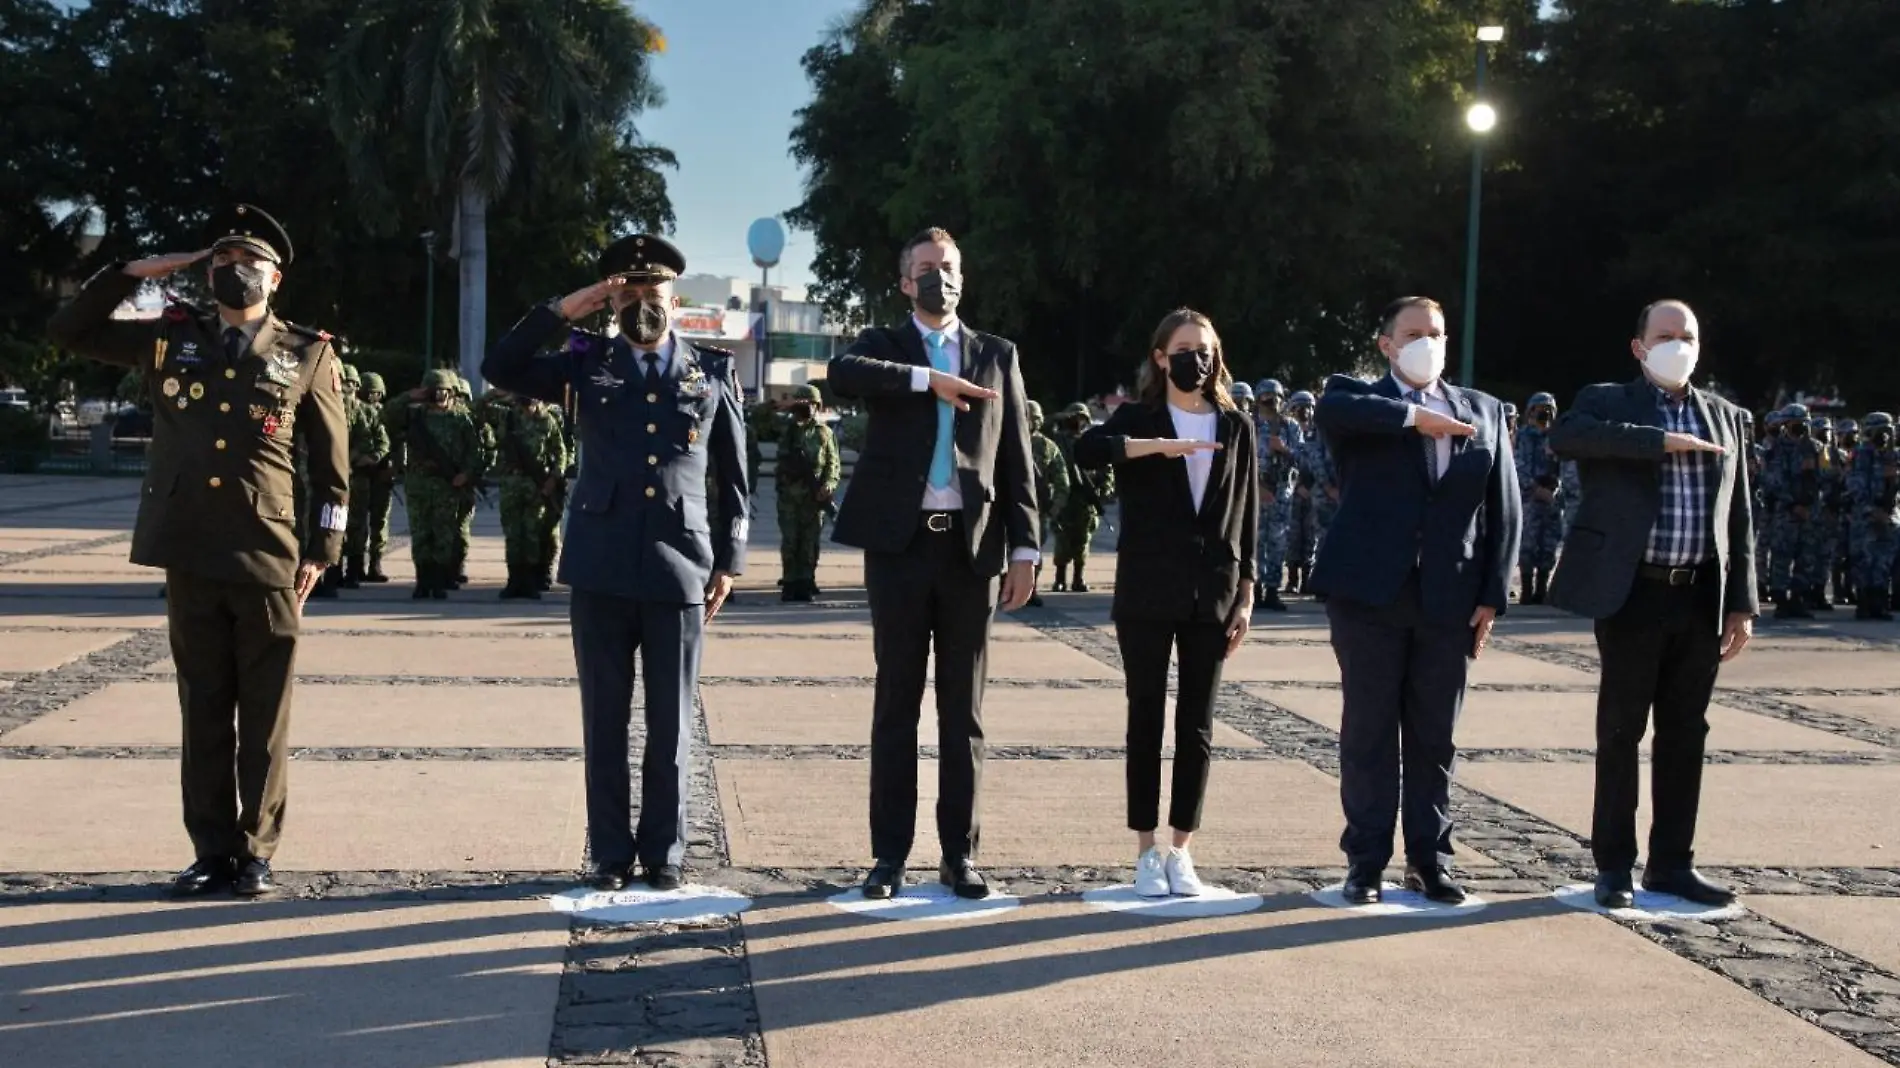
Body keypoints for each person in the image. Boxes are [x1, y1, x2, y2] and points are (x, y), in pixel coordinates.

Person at [46, 203, 348, 897]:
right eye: (222, 261)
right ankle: (211, 849)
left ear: (275, 278)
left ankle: (257, 851)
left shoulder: (307, 351)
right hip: (188, 548)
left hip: (268, 550)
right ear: (205, 272)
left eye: (249, 263)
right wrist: (129, 273)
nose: (235, 272)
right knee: (203, 706)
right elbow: (70, 331)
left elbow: (333, 466)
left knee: (264, 716)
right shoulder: (167, 339)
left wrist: (324, 547)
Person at [485, 233, 748, 891]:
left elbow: (733, 474)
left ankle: (664, 851)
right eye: (625, 292)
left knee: (672, 721)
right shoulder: (584, 361)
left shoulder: (711, 370)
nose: (639, 303)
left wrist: (731, 560)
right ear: (610, 299)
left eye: (650, 292)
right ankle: (609, 852)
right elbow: (501, 364)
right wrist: (569, 308)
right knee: (605, 719)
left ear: (674, 297)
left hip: (681, 563)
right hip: (601, 563)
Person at [827, 226, 1038, 901]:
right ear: (903, 282)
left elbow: (1018, 460)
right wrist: (927, 381)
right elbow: (842, 375)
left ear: (962, 277)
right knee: (896, 704)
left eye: (945, 268)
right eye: (923, 268)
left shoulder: (996, 354)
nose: (936, 279)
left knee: (963, 711)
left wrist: (1026, 549)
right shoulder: (885, 348)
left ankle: (959, 854)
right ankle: (889, 856)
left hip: (969, 552)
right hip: (901, 547)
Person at [1309, 296, 1520, 906]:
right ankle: (1366, 861)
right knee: (1369, 733)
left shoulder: (1482, 411)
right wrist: (1414, 419)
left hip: (1447, 598)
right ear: (1387, 345)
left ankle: (1431, 859)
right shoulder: (1357, 401)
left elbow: (1504, 508)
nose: (1427, 342)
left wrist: (1491, 595)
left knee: (1434, 736)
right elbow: (1339, 410)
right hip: (1370, 595)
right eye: (1413, 333)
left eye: (1436, 333)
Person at [1547, 299, 1756, 910]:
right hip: (1634, 590)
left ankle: (1671, 864)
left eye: (1686, 335)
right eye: (1664, 336)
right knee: (1620, 731)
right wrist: (1657, 441)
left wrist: (1742, 602)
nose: (1677, 345)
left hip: (1699, 596)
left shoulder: (1724, 417)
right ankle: (1613, 865)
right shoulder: (1609, 401)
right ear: (1638, 346)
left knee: (1686, 733)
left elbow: (1740, 515)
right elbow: (1567, 437)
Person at [1074, 308, 1257, 897]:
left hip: (1214, 591)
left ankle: (1182, 848)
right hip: (1149, 590)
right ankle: (1146, 850)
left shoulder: (1236, 425)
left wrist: (1248, 589)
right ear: (1160, 357)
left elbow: (1247, 512)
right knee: (1146, 717)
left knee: (1198, 724)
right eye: (1183, 348)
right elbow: (1087, 451)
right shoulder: (1138, 417)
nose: (1196, 359)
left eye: (1205, 348)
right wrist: (1155, 446)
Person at [383, 369, 486, 599]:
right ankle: (423, 580)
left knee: (443, 534)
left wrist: (466, 474)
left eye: (444, 392)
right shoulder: (414, 416)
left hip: (447, 486)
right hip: (418, 484)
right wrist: (409, 397)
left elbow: (474, 451)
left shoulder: (460, 419)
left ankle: (438, 581)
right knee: (420, 534)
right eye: (434, 392)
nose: (440, 397)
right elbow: (387, 415)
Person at [493, 390, 572, 600]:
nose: (527, 408)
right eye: (523, 402)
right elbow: (480, 410)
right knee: (513, 534)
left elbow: (560, 452)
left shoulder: (548, 421)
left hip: (536, 486)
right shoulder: (508, 418)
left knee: (531, 534)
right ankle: (514, 580)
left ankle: (528, 581)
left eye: (530, 402)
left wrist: (554, 478)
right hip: (512, 484)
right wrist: (499, 393)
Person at [776, 384, 841, 602]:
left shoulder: (825, 432)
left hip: (814, 498)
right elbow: (781, 455)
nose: (808, 408)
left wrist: (829, 485)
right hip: (789, 497)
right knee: (790, 541)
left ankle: (806, 581)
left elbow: (833, 463)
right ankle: (790, 582)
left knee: (810, 542)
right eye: (804, 404)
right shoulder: (788, 429)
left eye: (811, 404)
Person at [1764, 402, 1821, 619]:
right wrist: (1793, 505)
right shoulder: (1776, 449)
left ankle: (1799, 598)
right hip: (1786, 512)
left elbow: (1827, 478)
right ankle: (1781, 600)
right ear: (1785, 425)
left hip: (1809, 512)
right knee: (1782, 556)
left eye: (1803, 424)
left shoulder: (1815, 448)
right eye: (1795, 424)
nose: (1800, 428)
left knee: (1806, 556)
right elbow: (1773, 481)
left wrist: (1813, 475)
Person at [1052, 402, 1113, 592]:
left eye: (1081, 419)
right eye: (1074, 419)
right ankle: (1059, 579)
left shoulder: (1092, 442)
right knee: (1062, 541)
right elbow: (1043, 425)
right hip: (1065, 500)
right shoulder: (1059, 442)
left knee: (1082, 542)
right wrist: (1060, 416)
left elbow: (1107, 470)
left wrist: (1102, 491)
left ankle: (1078, 579)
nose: (1077, 423)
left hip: (1086, 502)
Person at [1252, 378, 1302, 611]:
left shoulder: (1290, 426)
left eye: (1276, 397)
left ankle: (1272, 589)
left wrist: (1284, 449)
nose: (1272, 401)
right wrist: (1257, 486)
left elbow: (1303, 459)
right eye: (1266, 396)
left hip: (1282, 493)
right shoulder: (1249, 425)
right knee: (1254, 543)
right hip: (1255, 491)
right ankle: (1254, 589)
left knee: (1277, 542)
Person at [341, 363, 391, 589]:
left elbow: (384, 443)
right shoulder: (329, 407)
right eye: (345, 383)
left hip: (366, 475)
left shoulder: (370, 413)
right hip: (337, 474)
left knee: (364, 523)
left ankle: (360, 566)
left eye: (352, 384)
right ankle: (338, 570)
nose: (347, 388)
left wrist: (368, 458)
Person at [1515, 392, 1565, 604]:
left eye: (1548, 409)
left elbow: (1566, 467)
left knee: (1549, 544)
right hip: (1529, 497)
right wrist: (1534, 488)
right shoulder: (1523, 436)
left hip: (1553, 499)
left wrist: (1554, 489)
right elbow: (1518, 465)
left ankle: (1542, 589)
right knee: (1528, 543)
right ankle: (1526, 589)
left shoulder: (1557, 437)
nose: (1545, 413)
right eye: (1540, 409)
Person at [1848, 412, 1898, 621]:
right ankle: (1864, 603)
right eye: (1881, 430)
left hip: (1889, 517)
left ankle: (1879, 602)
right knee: (1865, 560)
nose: (1885, 435)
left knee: (1883, 561)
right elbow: (1855, 487)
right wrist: (1871, 510)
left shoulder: (1893, 456)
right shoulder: (1861, 455)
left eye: (1888, 430)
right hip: (1866, 517)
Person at [1024, 400, 1071, 608]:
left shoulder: (1047, 447)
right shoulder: (1005, 441)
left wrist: (1054, 508)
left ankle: (1028, 590)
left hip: (1036, 509)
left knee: (1032, 552)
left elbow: (1063, 482)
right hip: (1014, 507)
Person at [352, 372, 396, 582]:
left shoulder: (388, 415)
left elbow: (394, 442)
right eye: (368, 393)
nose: (372, 397)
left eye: (376, 394)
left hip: (381, 473)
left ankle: (375, 563)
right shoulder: (353, 411)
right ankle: (356, 564)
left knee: (379, 522)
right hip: (359, 473)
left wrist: (390, 463)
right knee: (357, 522)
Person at [1808, 415, 1845, 612]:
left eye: (1828, 430)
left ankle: (1819, 591)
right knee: (1810, 554)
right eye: (1821, 430)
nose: (1825, 434)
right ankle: (1806, 592)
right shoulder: (1809, 452)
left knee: (1826, 556)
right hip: (1814, 511)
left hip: (1831, 512)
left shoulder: (1836, 455)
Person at [1835, 417, 1861, 605]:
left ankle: (1851, 589)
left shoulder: (1861, 456)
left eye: (1853, 433)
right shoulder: (1834, 456)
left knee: (1854, 555)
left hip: (1855, 512)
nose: (1850, 437)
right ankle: (1838, 590)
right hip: (1838, 511)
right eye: (1846, 434)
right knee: (1838, 555)